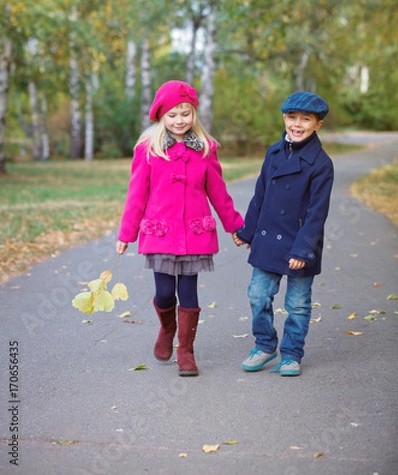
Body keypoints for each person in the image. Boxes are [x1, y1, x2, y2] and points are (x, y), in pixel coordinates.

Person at [116, 80, 244, 376]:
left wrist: (235, 226)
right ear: (162, 116)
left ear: (193, 114)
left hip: (194, 233)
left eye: (185, 113)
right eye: (173, 115)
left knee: (188, 293)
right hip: (160, 232)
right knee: (164, 293)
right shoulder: (149, 150)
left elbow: (218, 192)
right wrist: (126, 234)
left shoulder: (205, 149)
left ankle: (186, 351)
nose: (179, 121)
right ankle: (167, 328)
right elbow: (136, 195)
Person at [233, 91, 334, 376]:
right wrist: (248, 231)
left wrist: (303, 250)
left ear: (318, 124)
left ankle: (291, 354)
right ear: (284, 118)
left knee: (298, 304)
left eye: (306, 119)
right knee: (257, 294)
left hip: (302, 242)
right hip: (268, 238)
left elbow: (317, 213)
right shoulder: (274, 153)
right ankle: (265, 345)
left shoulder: (322, 164)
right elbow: (260, 195)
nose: (297, 124)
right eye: (292, 117)